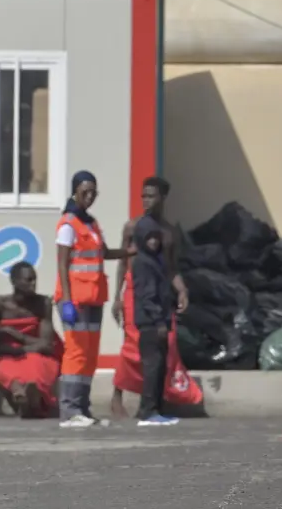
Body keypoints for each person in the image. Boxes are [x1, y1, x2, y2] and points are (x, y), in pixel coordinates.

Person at [111, 177, 200, 417]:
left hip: (160, 293)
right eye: (143, 196)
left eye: (151, 196)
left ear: (162, 198)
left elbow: (171, 268)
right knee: (132, 345)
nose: (146, 201)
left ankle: (155, 400)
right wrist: (117, 296)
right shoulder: (133, 227)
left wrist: (182, 290)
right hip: (135, 291)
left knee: (165, 345)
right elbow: (122, 263)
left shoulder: (169, 232)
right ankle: (117, 396)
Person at [54, 170, 133, 428]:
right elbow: (63, 264)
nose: (89, 197)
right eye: (84, 191)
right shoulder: (68, 224)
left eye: (93, 192)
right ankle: (69, 411)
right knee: (75, 352)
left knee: (89, 355)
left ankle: (83, 410)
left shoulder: (91, 223)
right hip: (74, 299)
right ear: (74, 191)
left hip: (93, 298)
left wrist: (130, 251)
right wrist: (66, 300)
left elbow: (103, 253)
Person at [0, 262, 63, 419]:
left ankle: (28, 397)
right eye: (28, 280)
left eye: (34, 279)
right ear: (14, 281)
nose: (33, 284)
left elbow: (47, 346)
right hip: (9, 356)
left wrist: (16, 335)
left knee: (36, 363)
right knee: (6, 368)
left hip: (38, 356)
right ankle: (23, 395)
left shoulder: (43, 303)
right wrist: (22, 349)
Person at [129, 215, 182, 426]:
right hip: (151, 323)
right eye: (149, 237)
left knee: (160, 367)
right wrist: (159, 321)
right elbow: (146, 296)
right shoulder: (142, 262)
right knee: (152, 367)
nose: (153, 242)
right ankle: (148, 411)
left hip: (159, 321)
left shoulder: (155, 260)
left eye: (156, 237)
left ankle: (156, 409)